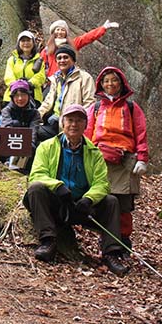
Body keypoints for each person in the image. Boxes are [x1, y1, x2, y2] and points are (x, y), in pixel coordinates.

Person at [24, 104, 128, 276]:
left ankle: (111, 254)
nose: (74, 124)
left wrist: (89, 199)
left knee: (111, 202)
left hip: (81, 207)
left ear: (85, 125)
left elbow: (102, 183)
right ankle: (48, 241)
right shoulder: (47, 147)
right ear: (62, 123)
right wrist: (58, 187)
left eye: (79, 120)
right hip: (57, 203)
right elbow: (37, 175)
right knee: (35, 189)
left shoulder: (94, 152)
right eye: (70, 120)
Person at [84, 66, 148, 252]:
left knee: (124, 205)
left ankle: (123, 240)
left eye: (114, 80)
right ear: (101, 85)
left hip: (124, 162)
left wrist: (142, 158)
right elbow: (87, 135)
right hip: (99, 161)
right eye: (106, 81)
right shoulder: (95, 108)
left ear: (121, 83)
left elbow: (141, 133)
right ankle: (106, 239)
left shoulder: (131, 107)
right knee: (103, 201)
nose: (110, 84)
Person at [36, 45, 95, 143]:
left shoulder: (84, 78)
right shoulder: (56, 79)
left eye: (65, 57)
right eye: (59, 58)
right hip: (53, 122)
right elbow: (47, 102)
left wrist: (77, 122)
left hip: (72, 124)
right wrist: (35, 117)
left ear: (73, 60)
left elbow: (89, 104)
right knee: (31, 133)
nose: (62, 60)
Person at [40, 19, 119, 77]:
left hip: (70, 78)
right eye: (57, 30)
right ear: (53, 32)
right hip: (53, 80)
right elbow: (40, 65)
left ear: (66, 33)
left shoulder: (72, 44)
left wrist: (103, 28)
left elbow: (87, 37)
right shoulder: (47, 49)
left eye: (62, 30)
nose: (60, 32)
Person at [0, 79, 41, 171]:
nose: (20, 98)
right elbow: (6, 132)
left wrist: (25, 147)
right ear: (12, 97)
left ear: (28, 95)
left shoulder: (34, 113)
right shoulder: (7, 111)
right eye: (17, 95)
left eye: (23, 95)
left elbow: (33, 134)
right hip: (9, 145)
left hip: (26, 147)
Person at [3, 30, 47, 104]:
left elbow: (41, 77)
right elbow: (8, 76)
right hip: (13, 95)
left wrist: (29, 84)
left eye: (28, 40)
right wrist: (17, 85)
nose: (26, 43)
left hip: (33, 96)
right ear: (19, 43)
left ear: (33, 42)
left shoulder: (38, 60)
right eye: (23, 41)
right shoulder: (12, 60)